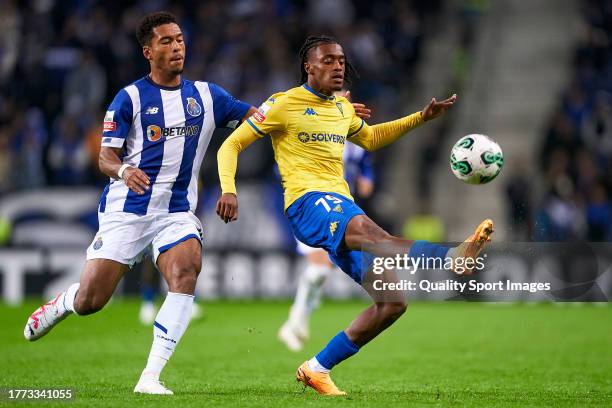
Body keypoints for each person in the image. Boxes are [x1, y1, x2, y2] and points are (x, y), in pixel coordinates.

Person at [216, 35, 493, 396]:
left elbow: (372, 138)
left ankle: (317, 368)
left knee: (392, 303)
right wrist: (228, 188)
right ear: (309, 67)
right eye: (328, 60)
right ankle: (450, 257)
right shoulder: (282, 104)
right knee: (372, 233)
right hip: (307, 202)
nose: (338, 66)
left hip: (340, 202)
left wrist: (421, 118)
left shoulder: (342, 108)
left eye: (342, 60)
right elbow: (232, 143)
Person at [22, 11, 258, 395]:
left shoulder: (208, 96)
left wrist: (319, 109)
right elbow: (105, 156)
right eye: (166, 41)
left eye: (180, 39)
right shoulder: (129, 97)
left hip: (176, 211)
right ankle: (64, 302)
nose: (177, 46)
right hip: (127, 211)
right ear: (148, 51)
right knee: (91, 301)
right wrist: (123, 171)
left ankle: (150, 377)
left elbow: (262, 119)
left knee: (186, 270)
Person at [279, 141, 375, 351]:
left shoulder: (357, 147)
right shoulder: (319, 137)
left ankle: (296, 320)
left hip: (340, 211)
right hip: (312, 208)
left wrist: (366, 179)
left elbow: (365, 168)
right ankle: (295, 320)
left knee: (322, 272)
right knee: (320, 270)